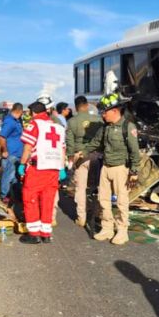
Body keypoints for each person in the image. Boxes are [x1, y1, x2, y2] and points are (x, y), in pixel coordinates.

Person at [94, 93, 140, 245]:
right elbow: (97, 144)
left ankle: (122, 231)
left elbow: (134, 152)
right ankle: (107, 228)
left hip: (121, 168)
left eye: (104, 111)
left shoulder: (128, 127)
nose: (103, 114)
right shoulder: (106, 127)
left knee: (121, 202)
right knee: (103, 199)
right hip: (106, 167)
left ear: (114, 111)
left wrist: (134, 172)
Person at [17, 101, 66, 244]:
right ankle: (46, 233)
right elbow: (62, 149)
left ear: (33, 113)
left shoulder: (34, 125)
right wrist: (62, 168)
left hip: (37, 168)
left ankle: (34, 234)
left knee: (30, 199)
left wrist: (21, 164)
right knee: (48, 201)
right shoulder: (58, 127)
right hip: (54, 170)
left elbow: (27, 147)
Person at [66, 95, 103, 227]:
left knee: (80, 188)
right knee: (98, 187)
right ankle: (98, 213)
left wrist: (70, 157)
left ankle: (81, 217)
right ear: (87, 105)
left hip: (79, 157)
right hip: (96, 157)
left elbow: (69, 142)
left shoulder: (72, 122)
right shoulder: (98, 120)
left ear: (76, 107)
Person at [0, 102, 24, 201]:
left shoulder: (16, 121)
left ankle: (17, 195)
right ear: (20, 111)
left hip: (18, 152)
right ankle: (4, 195)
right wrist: (4, 150)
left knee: (15, 177)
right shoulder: (10, 121)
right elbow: (2, 137)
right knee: (8, 175)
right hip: (11, 152)